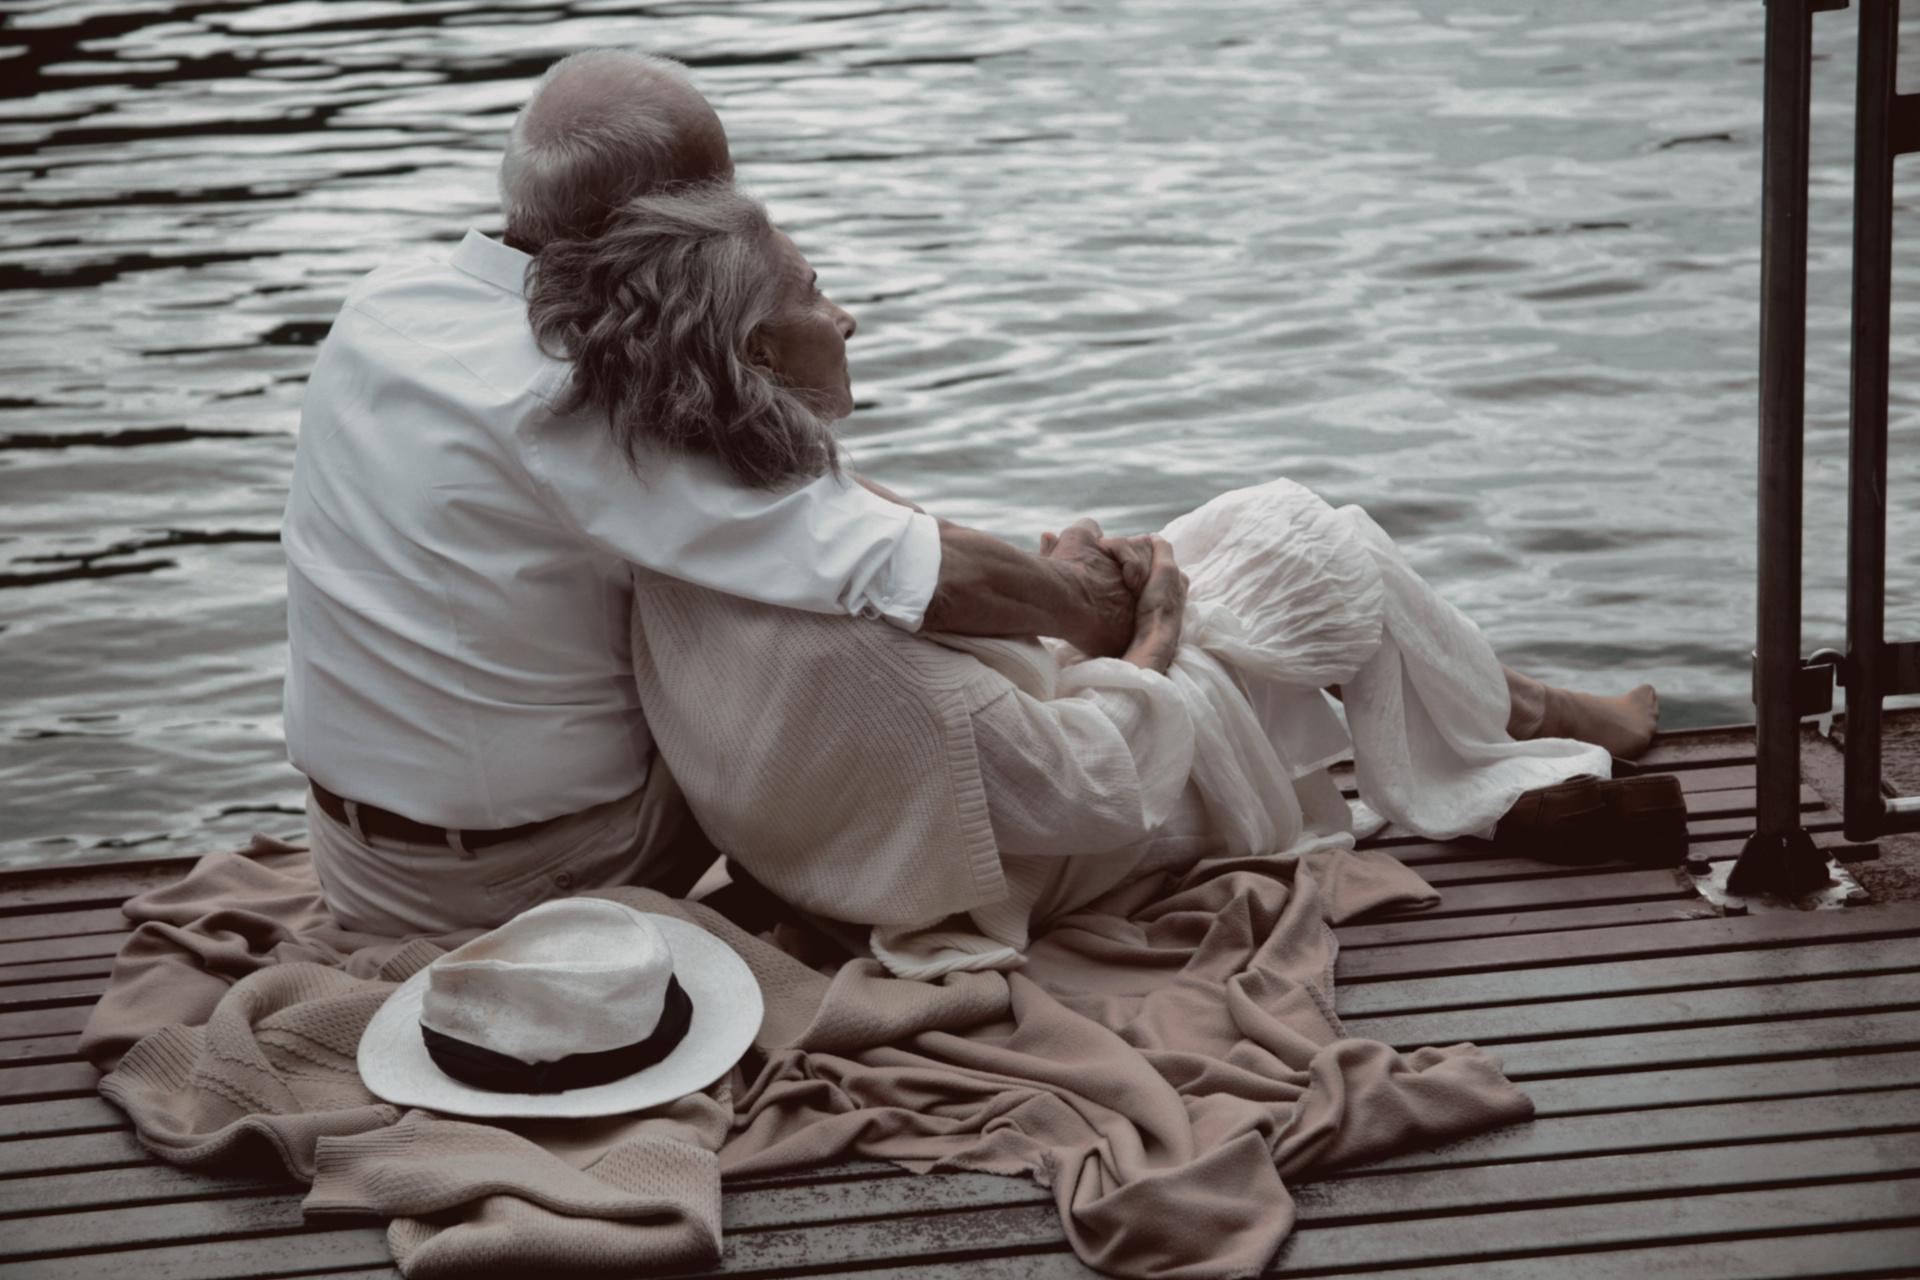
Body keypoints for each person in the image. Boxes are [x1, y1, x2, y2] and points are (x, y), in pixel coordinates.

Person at [536, 181, 1674, 976]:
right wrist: (1150, 642)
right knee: (1310, 538)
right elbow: (1085, 790)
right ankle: (1512, 733)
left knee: (1245, 533)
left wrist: (1060, 593)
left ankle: (1512, 717)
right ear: (758, 356)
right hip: (1031, 852)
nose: (846, 315)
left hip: (877, 836)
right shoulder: (870, 661)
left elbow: (923, 601)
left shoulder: (689, 525)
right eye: (815, 292)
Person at [282, 49, 1142, 937]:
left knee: (754, 540)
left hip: (358, 864)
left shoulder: (385, 302)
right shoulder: (572, 392)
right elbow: (912, 573)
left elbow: (792, 499)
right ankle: (1018, 819)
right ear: (667, 227)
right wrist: (1093, 607)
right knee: (802, 627)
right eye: (725, 204)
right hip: (521, 882)